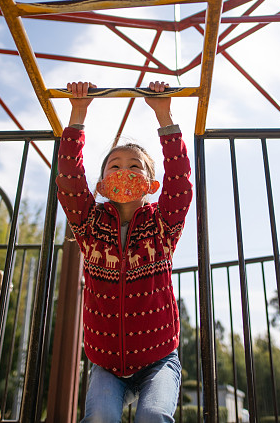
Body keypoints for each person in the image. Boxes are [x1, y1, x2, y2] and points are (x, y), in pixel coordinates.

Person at [56, 81, 193, 422]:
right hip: (107, 364)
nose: (124, 171)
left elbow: (180, 183)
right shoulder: (90, 226)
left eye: (135, 167)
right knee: (99, 417)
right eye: (114, 166)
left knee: (153, 415)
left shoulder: (162, 226)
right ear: (101, 186)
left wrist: (164, 115)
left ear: (151, 184)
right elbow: (70, 179)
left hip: (158, 357)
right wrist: (78, 113)